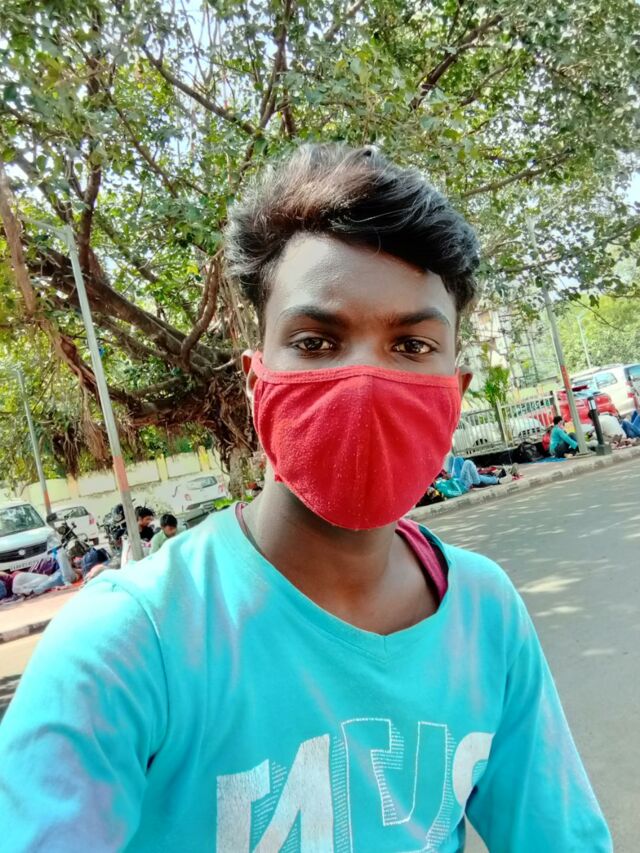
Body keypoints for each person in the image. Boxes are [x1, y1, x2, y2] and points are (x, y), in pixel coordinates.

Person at [0, 145, 611, 852]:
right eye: (317, 341)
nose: (364, 381)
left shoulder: (486, 613)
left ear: (457, 391)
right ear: (257, 379)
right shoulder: (131, 643)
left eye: (412, 346)